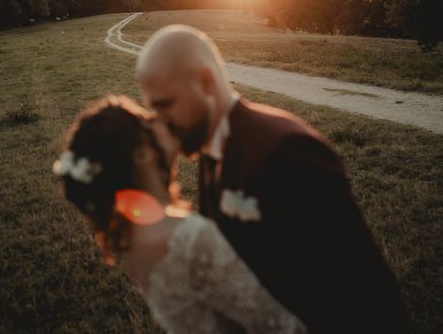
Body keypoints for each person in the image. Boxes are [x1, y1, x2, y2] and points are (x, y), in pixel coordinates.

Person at [137, 24, 408, 333]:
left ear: (206, 82)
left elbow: (360, 290)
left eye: (165, 105)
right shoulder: (210, 151)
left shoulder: (288, 151)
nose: (160, 122)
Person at [54, 95, 308, 334]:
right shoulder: (189, 237)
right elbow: (281, 326)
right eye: (148, 122)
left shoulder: (131, 239)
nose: (160, 120)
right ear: (142, 155)